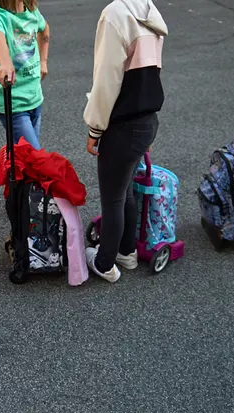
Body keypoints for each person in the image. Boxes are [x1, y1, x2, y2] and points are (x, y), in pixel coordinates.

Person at [83, 0, 167, 283]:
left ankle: (105, 263)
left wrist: (95, 128)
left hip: (122, 124)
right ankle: (127, 251)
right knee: (125, 190)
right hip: (146, 120)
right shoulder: (149, 10)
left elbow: (107, 79)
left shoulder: (116, 13)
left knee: (113, 197)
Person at [0, 0, 50, 150]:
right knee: (35, 158)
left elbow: (44, 30)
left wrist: (43, 61)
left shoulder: (31, 11)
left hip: (35, 97)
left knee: (26, 158)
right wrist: (5, 62)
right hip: (14, 104)